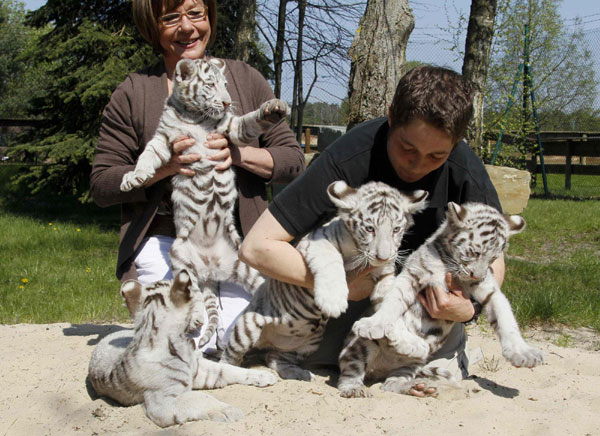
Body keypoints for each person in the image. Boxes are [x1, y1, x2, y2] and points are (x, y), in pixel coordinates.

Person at [239, 65, 503, 395]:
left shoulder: (465, 169)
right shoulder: (349, 157)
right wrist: (340, 281)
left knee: (435, 361)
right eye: (407, 148)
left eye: (436, 156)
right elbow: (256, 247)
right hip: (345, 305)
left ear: (457, 143)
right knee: (318, 346)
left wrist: (469, 308)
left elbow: (495, 259)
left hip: (421, 311)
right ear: (392, 116)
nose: (417, 165)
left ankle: (420, 368)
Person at [90, 0, 305, 354]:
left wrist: (239, 154)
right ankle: (157, 315)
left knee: (240, 337)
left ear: (210, 19)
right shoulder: (133, 91)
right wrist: (163, 167)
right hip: (169, 243)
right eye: (171, 17)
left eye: (196, 14)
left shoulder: (243, 79)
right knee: (187, 340)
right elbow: (102, 183)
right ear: (153, 27)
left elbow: (294, 161)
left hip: (234, 244)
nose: (187, 27)